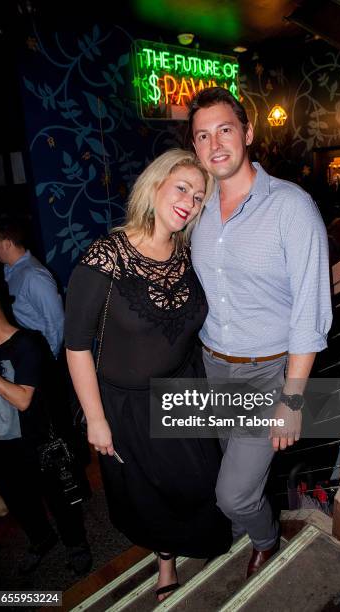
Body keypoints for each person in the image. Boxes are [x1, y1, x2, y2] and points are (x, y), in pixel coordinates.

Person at [65, 149, 232, 601]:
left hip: (185, 387)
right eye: (182, 188)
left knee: (201, 482)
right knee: (151, 494)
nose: (190, 202)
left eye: (199, 197)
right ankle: (165, 565)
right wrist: (95, 419)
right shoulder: (106, 255)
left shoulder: (188, 251)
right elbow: (76, 345)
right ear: (155, 184)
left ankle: (198, 539)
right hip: (129, 404)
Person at [188, 87, 332, 577]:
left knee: (233, 490)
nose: (215, 144)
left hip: (268, 372)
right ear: (195, 148)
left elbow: (309, 313)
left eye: (224, 129)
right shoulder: (197, 210)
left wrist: (293, 402)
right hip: (213, 366)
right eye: (202, 136)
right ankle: (241, 525)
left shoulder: (291, 207)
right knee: (231, 470)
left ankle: (266, 539)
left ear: (247, 133)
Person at [0, 278, 92, 575]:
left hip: (37, 441)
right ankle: (41, 539)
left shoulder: (27, 343)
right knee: (19, 500)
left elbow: (23, 399)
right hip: (1, 442)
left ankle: (77, 545)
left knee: (59, 499)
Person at [0, 214, 64, 358]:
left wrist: (47, 358)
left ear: (7, 244)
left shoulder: (34, 276)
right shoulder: (10, 270)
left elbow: (56, 322)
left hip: (41, 357)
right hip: (25, 351)